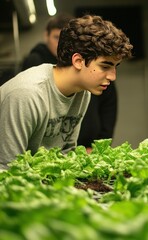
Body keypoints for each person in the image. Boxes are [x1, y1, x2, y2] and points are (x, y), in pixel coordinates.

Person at [0, 15, 133, 168]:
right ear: (78, 61)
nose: (112, 76)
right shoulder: (27, 94)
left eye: (115, 67)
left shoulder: (83, 92)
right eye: (105, 66)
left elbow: (65, 153)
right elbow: (6, 168)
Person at [21, 13, 119, 153]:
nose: (112, 76)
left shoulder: (85, 91)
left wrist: (100, 145)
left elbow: (109, 106)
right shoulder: (30, 80)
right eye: (56, 37)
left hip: (79, 150)